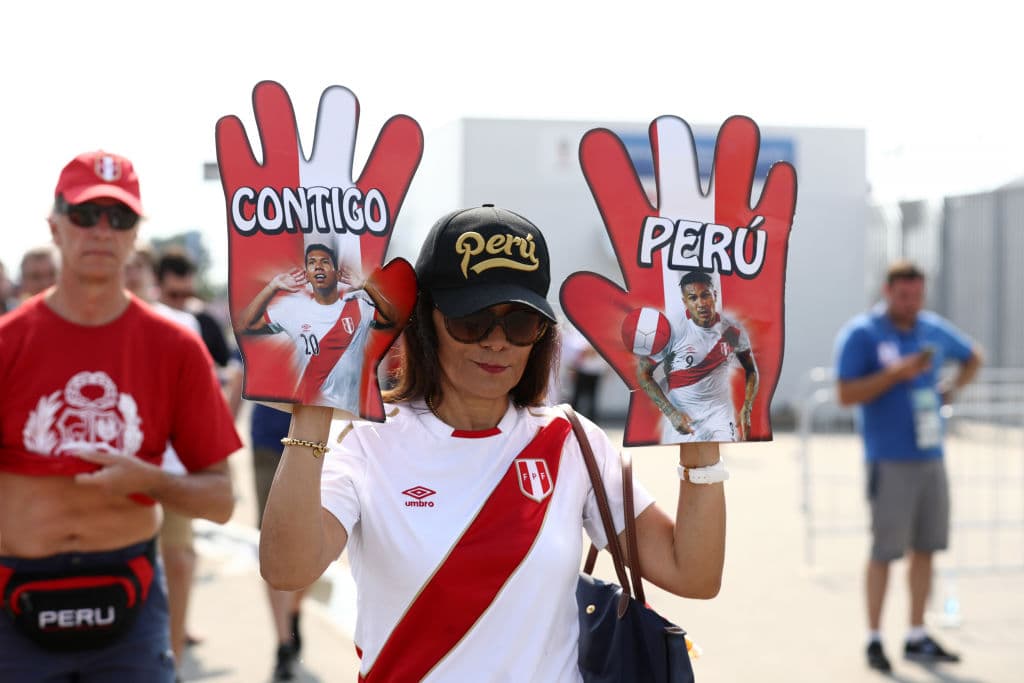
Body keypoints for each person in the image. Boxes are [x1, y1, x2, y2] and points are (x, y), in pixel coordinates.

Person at [258, 204, 727, 681]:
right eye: (472, 320)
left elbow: (692, 572)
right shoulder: (368, 444)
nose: (497, 342)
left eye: (520, 324)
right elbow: (287, 569)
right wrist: (312, 413)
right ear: (425, 322)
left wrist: (706, 430)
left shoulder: (570, 441)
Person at [0, 150, 241, 682]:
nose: (102, 231)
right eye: (85, 214)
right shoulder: (8, 344)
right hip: (11, 604)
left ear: (137, 235)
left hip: (128, 602)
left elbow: (222, 501)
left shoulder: (177, 347)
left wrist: (150, 481)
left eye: (120, 217)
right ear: (55, 225)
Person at [835, 259, 983, 672]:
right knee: (885, 551)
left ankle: (917, 634)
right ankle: (874, 638)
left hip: (930, 456)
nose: (911, 303)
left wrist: (951, 389)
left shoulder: (931, 329)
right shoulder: (862, 334)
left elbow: (974, 356)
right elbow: (845, 394)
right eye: (904, 296)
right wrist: (895, 374)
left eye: (917, 295)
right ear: (887, 292)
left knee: (927, 549)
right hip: (888, 458)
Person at [236, 242, 381, 410]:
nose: (318, 267)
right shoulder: (292, 308)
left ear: (338, 273)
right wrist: (272, 286)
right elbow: (245, 325)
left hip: (349, 415)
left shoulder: (358, 306)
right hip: (309, 412)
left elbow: (392, 318)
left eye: (325, 262)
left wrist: (366, 285)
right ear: (307, 275)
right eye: (312, 263)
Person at [636, 270, 759, 442]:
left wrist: (747, 406)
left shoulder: (732, 330)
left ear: (714, 295)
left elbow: (751, 370)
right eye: (693, 298)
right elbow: (643, 373)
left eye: (705, 295)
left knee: (715, 466)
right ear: (685, 301)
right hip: (684, 423)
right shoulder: (671, 331)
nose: (701, 303)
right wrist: (671, 413)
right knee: (688, 466)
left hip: (721, 420)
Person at [250, 402, 309, 681]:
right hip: (267, 439)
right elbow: (245, 371)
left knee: (308, 545)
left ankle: (293, 610)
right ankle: (284, 644)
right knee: (273, 543)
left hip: (316, 438)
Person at [562, 323, 606, 421]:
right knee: (576, 399)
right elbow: (580, 351)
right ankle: (572, 422)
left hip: (594, 372)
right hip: (581, 371)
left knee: (591, 400)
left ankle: (591, 423)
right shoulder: (577, 332)